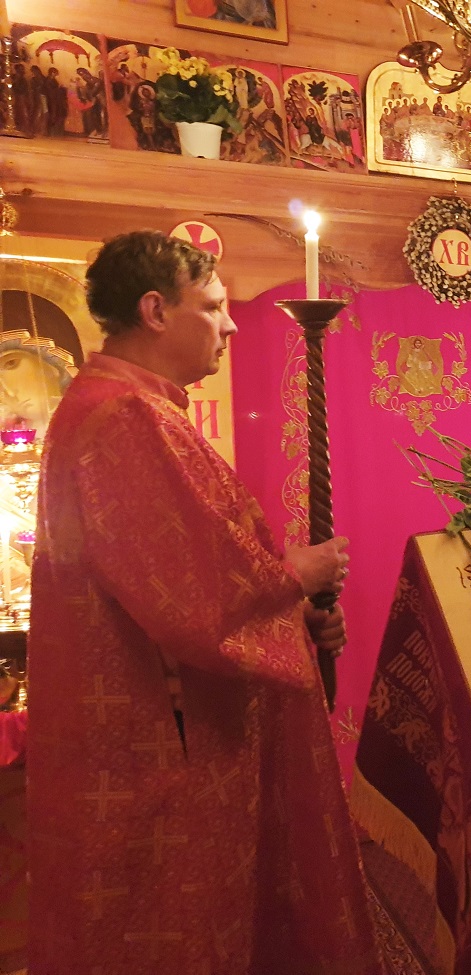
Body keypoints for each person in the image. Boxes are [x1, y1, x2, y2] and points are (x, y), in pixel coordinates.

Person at [27, 231, 381, 974]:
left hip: (165, 713)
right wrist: (294, 574)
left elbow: (169, 575)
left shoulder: (119, 405)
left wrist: (292, 617)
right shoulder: (126, 416)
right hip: (161, 737)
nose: (231, 325)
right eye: (214, 306)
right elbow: (190, 600)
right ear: (155, 310)